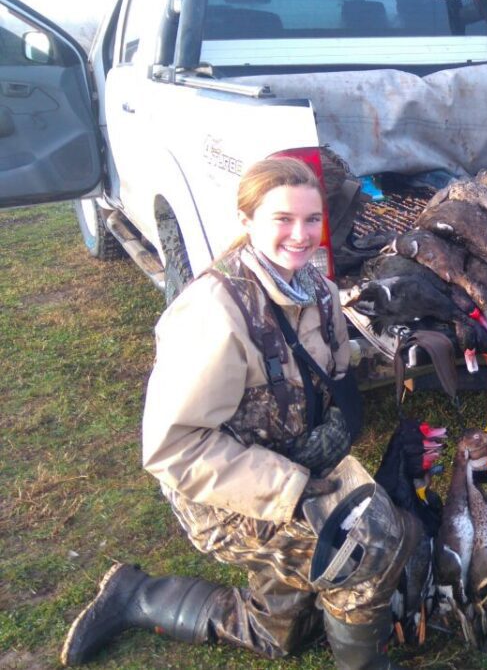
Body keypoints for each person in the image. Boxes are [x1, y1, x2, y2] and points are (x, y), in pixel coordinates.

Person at [61, 157, 419, 669]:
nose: (301, 235)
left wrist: (344, 419)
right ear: (247, 220)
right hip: (222, 498)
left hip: (296, 469)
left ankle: (137, 595)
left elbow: (335, 375)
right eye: (283, 219)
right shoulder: (213, 310)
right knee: (366, 552)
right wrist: (290, 488)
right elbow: (174, 448)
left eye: (312, 219)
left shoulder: (319, 292)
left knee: (281, 636)